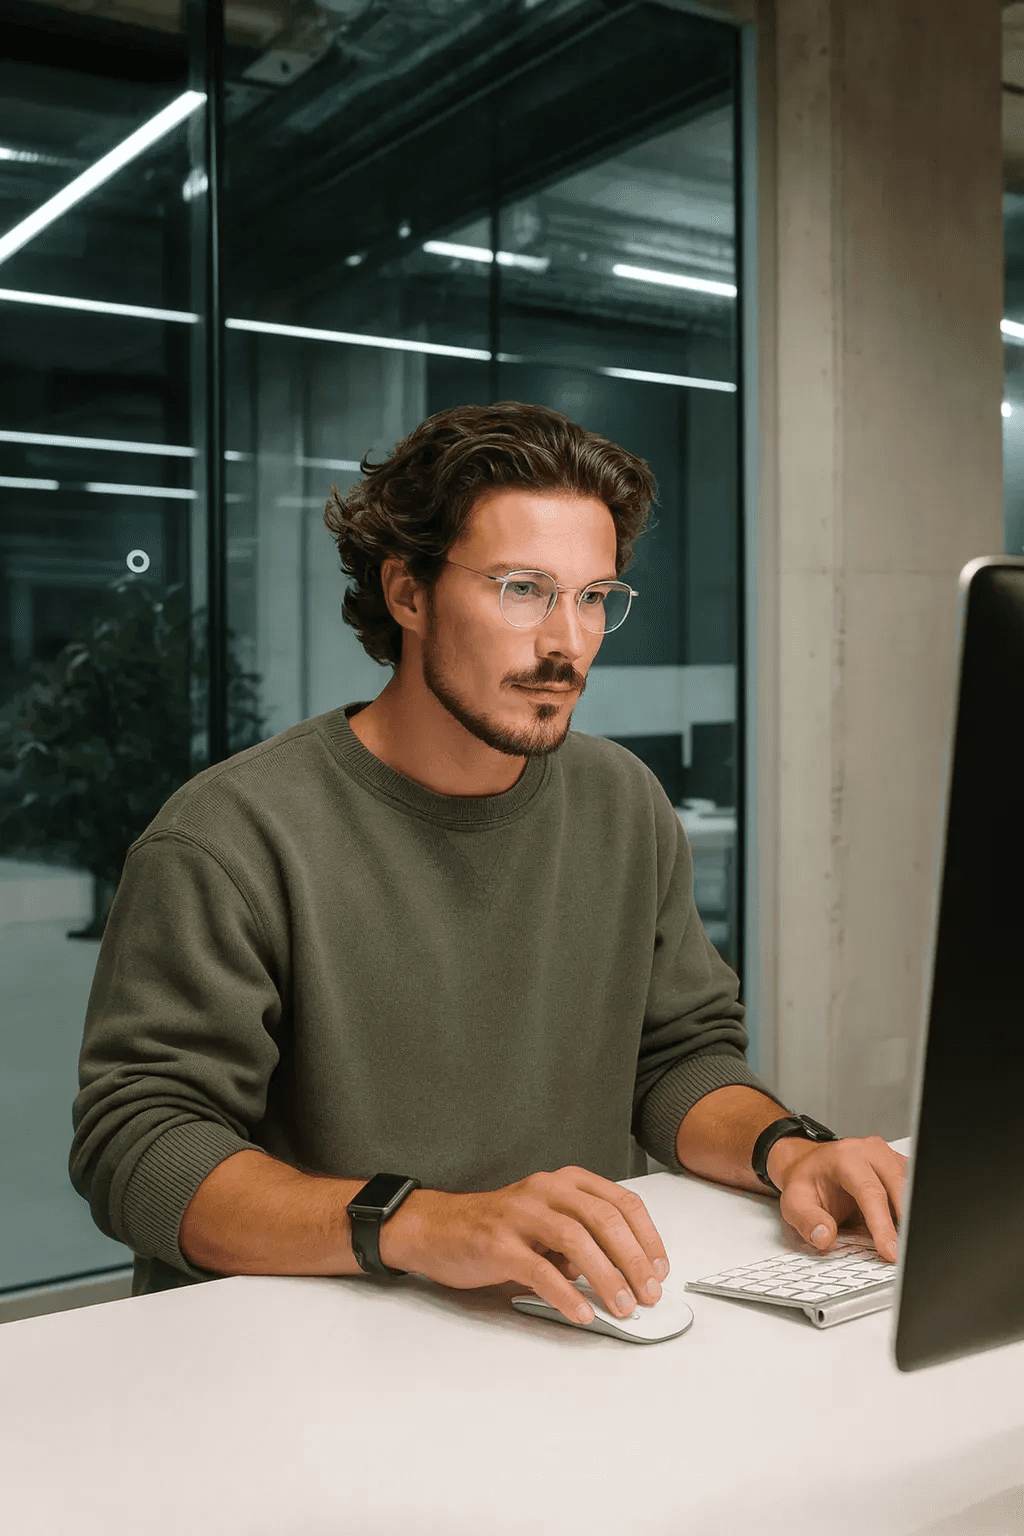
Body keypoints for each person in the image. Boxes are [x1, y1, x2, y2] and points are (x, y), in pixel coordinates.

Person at [70, 401, 907, 1329]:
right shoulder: (230, 838)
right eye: (522, 589)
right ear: (408, 593)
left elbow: (676, 1056)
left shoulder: (623, 801)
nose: (568, 642)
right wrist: (419, 1223)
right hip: (303, 1355)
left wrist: (787, 1149)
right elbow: (140, 1149)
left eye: (594, 597)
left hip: (564, 1328)